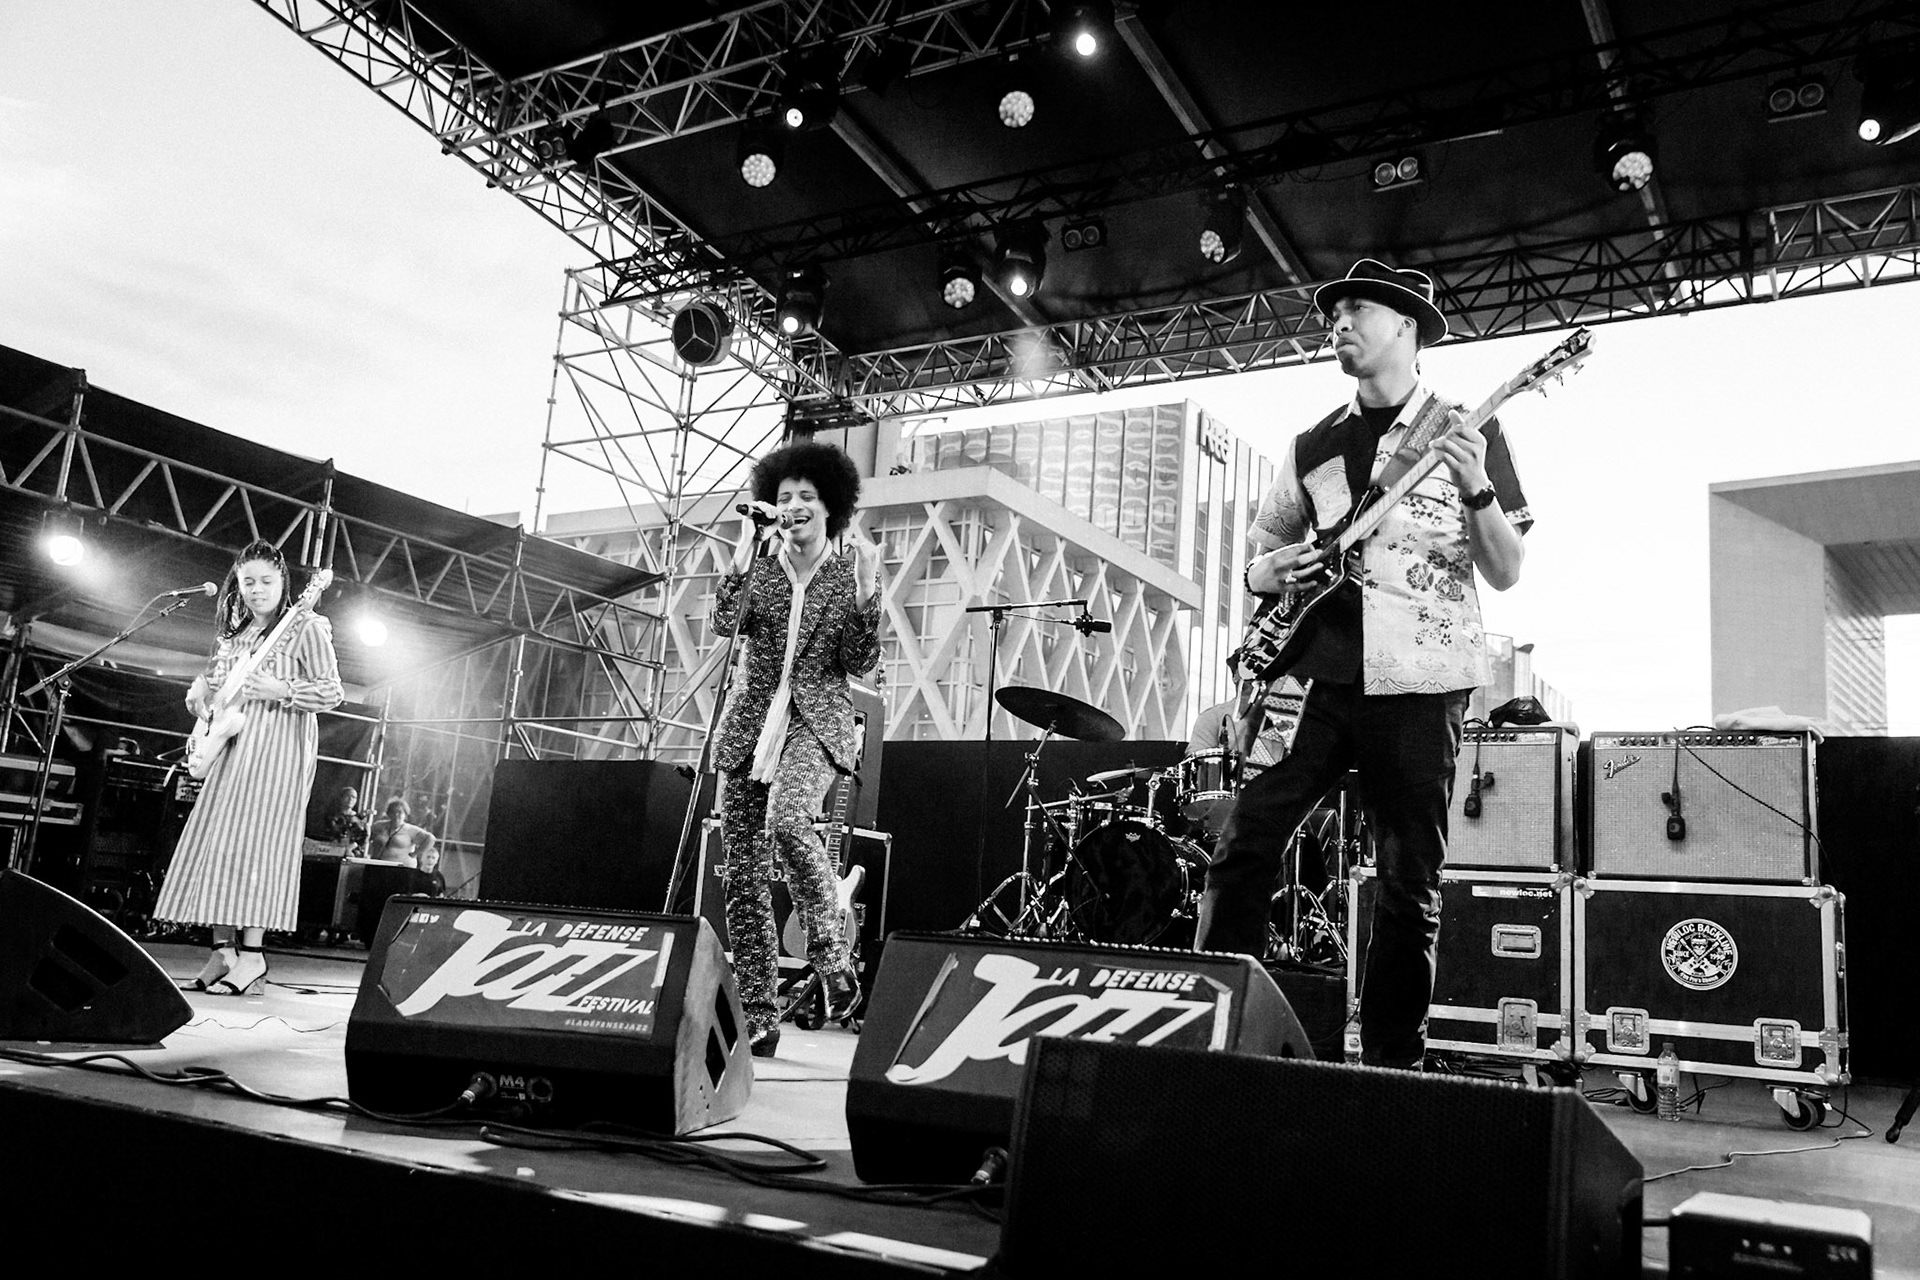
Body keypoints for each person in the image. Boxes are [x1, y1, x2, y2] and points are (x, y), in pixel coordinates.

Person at [1196, 259, 1532, 1070]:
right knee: (1243, 845)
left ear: (1407, 328)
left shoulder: (1464, 427)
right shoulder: (1313, 443)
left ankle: (1391, 1065)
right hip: (1310, 676)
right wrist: (1259, 574)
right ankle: (1213, 1036)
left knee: (1407, 882)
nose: (1339, 323)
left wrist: (1478, 485)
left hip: (1420, 681)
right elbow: (1265, 553)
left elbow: (1508, 569)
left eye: (1358, 310)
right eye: (1334, 312)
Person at [710, 440, 882, 1058]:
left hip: (815, 722)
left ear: (830, 506)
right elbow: (725, 625)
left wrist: (867, 585)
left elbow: (859, 660)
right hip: (753, 723)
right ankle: (758, 1015)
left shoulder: (845, 572)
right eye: (784, 497)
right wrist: (742, 552)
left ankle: (832, 953)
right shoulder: (759, 565)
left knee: (788, 819)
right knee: (743, 875)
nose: (795, 506)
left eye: (807, 496)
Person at [155, 540, 345, 994]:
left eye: (266, 581)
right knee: (218, 842)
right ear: (237, 587)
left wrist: (284, 689)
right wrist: (198, 689)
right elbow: (219, 685)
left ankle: (254, 956)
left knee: (259, 845)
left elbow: (332, 691)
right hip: (231, 749)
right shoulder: (235, 635)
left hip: (278, 751)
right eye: (248, 582)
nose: (257, 590)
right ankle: (222, 951)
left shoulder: (306, 628)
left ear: (284, 583)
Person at [367, 797, 435, 867]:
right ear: (388, 813)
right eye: (393, 812)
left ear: (405, 814)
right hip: (380, 866)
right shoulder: (379, 825)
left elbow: (430, 839)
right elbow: (367, 837)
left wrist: (415, 853)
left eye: (400, 812)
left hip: (402, 868)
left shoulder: (410, 829)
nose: (396, 815)